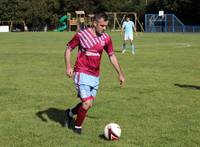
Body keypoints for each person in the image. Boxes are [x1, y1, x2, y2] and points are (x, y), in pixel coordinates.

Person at [64, 12, 125, 135]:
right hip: (81, 72)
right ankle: (77, 127)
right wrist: (68, 66)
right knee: (87, 103)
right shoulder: (81, 35)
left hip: (95, 76)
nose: (104, 28)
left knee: (88, 104)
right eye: (102, 25)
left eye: (105, 26)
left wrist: (120, 73)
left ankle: (69, 113)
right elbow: (69, 49)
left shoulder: (106, 38)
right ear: (94, 23)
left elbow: (112, 56)